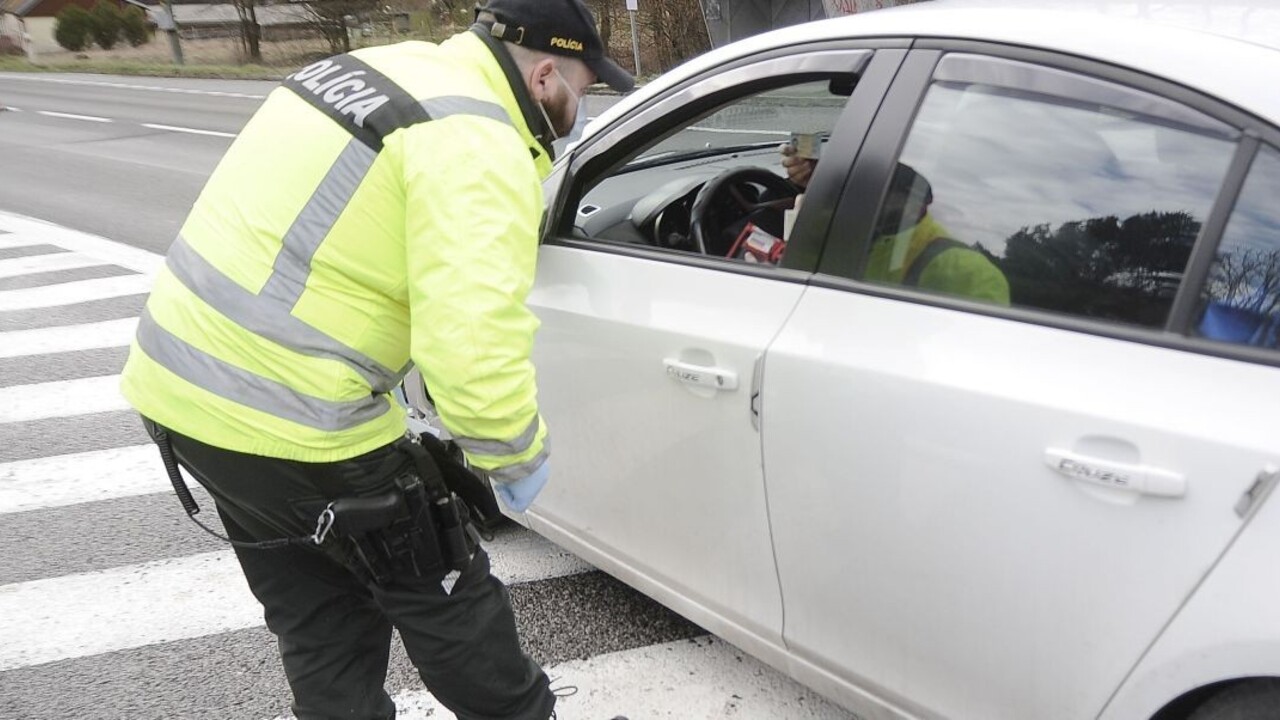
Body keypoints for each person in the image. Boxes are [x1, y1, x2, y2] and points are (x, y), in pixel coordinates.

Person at [118, 1, 633, 718]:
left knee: (320, 624)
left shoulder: (374, 71)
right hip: (303, 422)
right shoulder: (478, 144)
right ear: (546, 73)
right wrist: (514, 459)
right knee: (450, 600)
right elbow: (471, 348)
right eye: (585, 85)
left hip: (183, 397)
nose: (581, 103)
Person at [781, 144, 1010, 304]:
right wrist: (820, 184)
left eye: (878, 193)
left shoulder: (968, 270)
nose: (861, 201)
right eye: (857, 189)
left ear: (914, 203)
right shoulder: (861, 231)